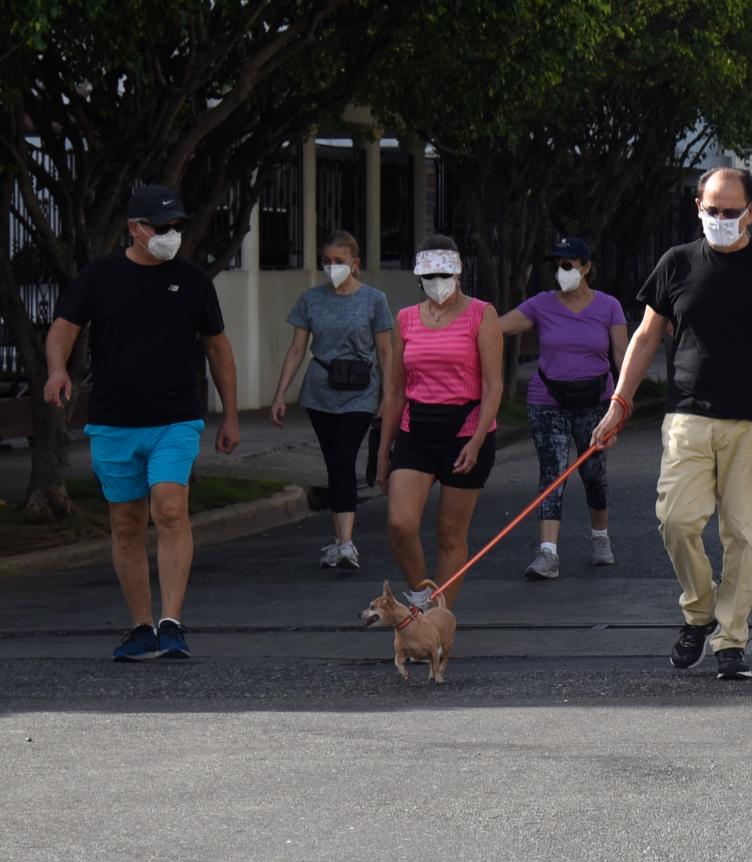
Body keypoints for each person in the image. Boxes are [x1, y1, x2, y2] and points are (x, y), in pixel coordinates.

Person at [591, 167, 752, 682]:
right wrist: (619, 402)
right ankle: (699, 609)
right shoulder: (676, 264)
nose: (721, 220)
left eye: (732, 212)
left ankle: (730, 640)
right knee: (677, 520)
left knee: (743, 534)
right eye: (712, 210)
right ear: (698, 207)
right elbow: (645, 337)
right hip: (688, 414)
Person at [42, 184, 241, 661]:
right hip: (113, 421)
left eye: (177, 226)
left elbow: (218, 347)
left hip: (175, 418)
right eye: (161, 226)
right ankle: (141, 626)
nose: (171, 234)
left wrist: (231, 415)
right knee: (126, 524)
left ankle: (172, 621)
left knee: (170, 509)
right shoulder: (100, 276)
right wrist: (55, 369)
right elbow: (63, 328)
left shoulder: (193, 280)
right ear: (134, 229)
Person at [374, 234, 502, 610]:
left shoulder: (482, 313)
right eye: (430, 276)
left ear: (458, 271)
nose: (438, 282)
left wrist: (477, 440)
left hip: (466, 430)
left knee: (449, 533)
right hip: (417, 430)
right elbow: (395, 392)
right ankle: (419, 596)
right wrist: (384, 452)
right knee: (400, 523)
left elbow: (494, 385)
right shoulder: (406, 319)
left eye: (445, 273)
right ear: (419, 277)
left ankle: (438, 618)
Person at [498, 236, 629, 581]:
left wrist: (620, 405)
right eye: (557, 266)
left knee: (593, 475)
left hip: (595, 402)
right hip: (548, 401)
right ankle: (548, 553)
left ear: (586, 267)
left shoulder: (609, 306)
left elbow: (622, 356)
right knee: (552, 474)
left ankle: (600, 537)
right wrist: (462, 321)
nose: (562, 271)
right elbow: (497, 326)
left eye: (568, 265)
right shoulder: (541, 304)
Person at [271, 230, 393, 571]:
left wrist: (388, 396)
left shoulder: (374, 300)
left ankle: (346, 543)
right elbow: (297, 349)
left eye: (339, 262)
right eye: (326, 261)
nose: (332, 267)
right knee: (334, 463)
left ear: (355, 264)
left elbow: (385, 351)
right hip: (320, 391)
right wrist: (280, 394)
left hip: (360, 391)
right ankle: (339, 539)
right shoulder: (311, 300)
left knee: (343, 458)